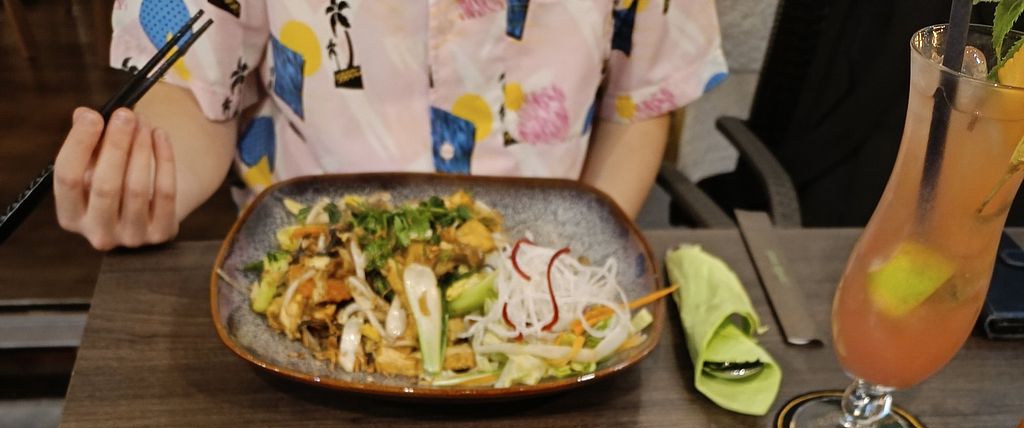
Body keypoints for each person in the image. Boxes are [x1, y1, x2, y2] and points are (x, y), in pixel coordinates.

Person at [53, 0, 728, 250]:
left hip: (536, 259)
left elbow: (641, 100)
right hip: (310, 253)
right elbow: (193, 84)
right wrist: (143, 181)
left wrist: (574, 260)